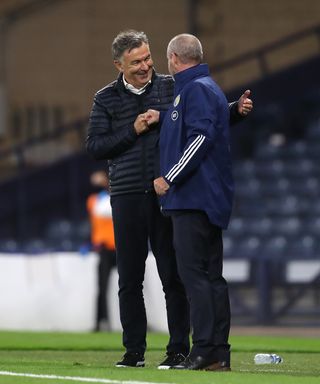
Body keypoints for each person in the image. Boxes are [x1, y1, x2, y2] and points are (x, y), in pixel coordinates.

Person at [86, 30, 252, 369]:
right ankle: (134, 351)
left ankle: (179, 348)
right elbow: (95, 147)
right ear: (119, 64)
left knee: (174, 276)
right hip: (128, 193)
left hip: (167, 193)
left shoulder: (172, 85)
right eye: (137, 62)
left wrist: (234, 110)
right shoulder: (105, 99)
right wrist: (132, 129)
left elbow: (200, 119)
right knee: (129, 278)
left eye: (148, 58)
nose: (146, 65)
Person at [150, 33, 235, 371]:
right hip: (207, 198)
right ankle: (218, 353)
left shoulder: (195, 89)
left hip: (192, 198)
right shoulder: (205, 88)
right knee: (212, 277)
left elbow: (200, 137)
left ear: (173, 58)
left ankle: (202, 350)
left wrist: (170, 176)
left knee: (194, 276)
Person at [87, 170, 116, 332]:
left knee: (133, 287)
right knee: (102, 288)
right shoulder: (94, 201)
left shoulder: (114, 198)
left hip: (120, 248)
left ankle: (141, 322)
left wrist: (105, 181)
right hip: (105, 248)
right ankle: (100, 322)